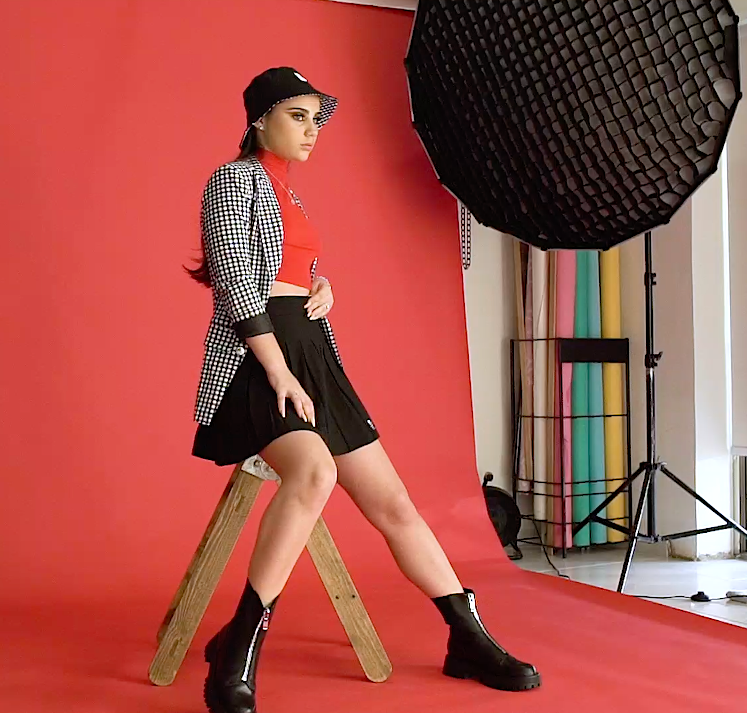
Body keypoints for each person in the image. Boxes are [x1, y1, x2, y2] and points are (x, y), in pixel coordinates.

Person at [185, 67, 539, 713]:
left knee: (394, 503)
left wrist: (320, 286)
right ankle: (241, 649)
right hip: (254, 362)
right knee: (314, 471)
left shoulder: (290, 192)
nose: (311, 130)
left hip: (312, 354)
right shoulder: (232, 179)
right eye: (297, 115)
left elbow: (288, 267)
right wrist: (279, 372)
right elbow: (237, 283)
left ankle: (468, 636)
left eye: (316, 118)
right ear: (259, 118)